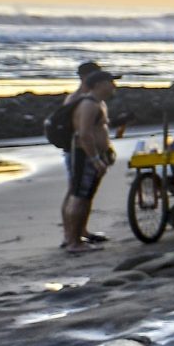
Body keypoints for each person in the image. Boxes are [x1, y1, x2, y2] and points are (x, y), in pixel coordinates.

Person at [58, 65, 116, 252]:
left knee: (84, 196)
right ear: (98, 84)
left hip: (92, 155)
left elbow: (99, 130)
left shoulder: (97, 103)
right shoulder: (87, 103)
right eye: (110, 82)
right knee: (77, 196)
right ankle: (73, 241)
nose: (113, 86)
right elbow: (84, 134)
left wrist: (106, 151)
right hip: (84, 155)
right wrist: (96, 159)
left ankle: (79, 236)